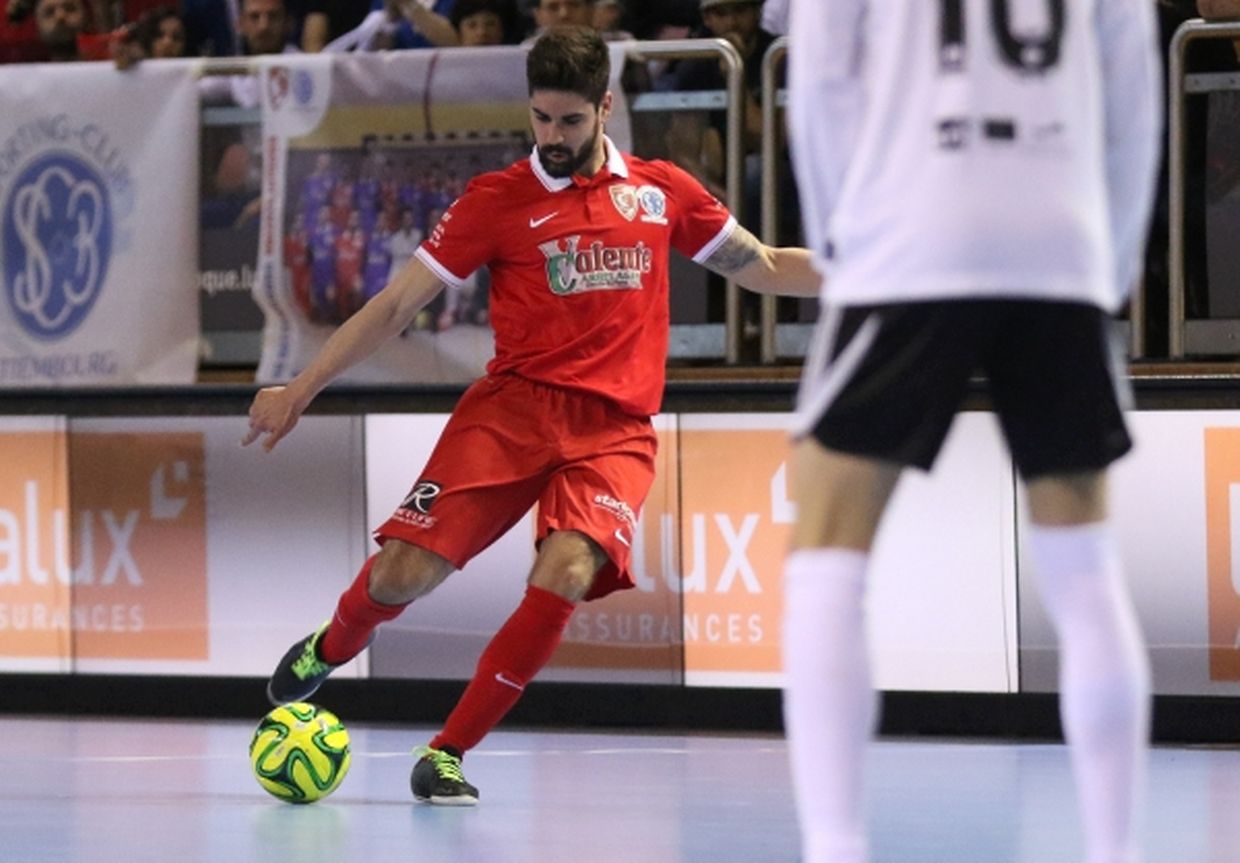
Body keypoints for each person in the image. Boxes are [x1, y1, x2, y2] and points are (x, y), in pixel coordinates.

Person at [245, 24, 819, 806]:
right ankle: (332, 643)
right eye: (541, 119)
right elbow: (394, 306)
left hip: (614, 430)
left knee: (569, 570)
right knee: (405, 572)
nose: (553, 137)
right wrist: (299, 387)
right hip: (511, 413)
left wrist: (877, 278)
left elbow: (761, 266)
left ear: (605, 108)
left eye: (570, 122)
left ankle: (447, 751)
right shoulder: (496, 200)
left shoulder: (658, 192)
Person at [780, 2, 1161, 862]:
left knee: (827, 559)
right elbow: (1134, 98)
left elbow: (823, 82)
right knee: (1086, 564)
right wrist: (1110, 259)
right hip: (1059, 236)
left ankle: (835, 846)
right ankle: (1117, 849)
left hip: (911, 228)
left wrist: (848, 241)